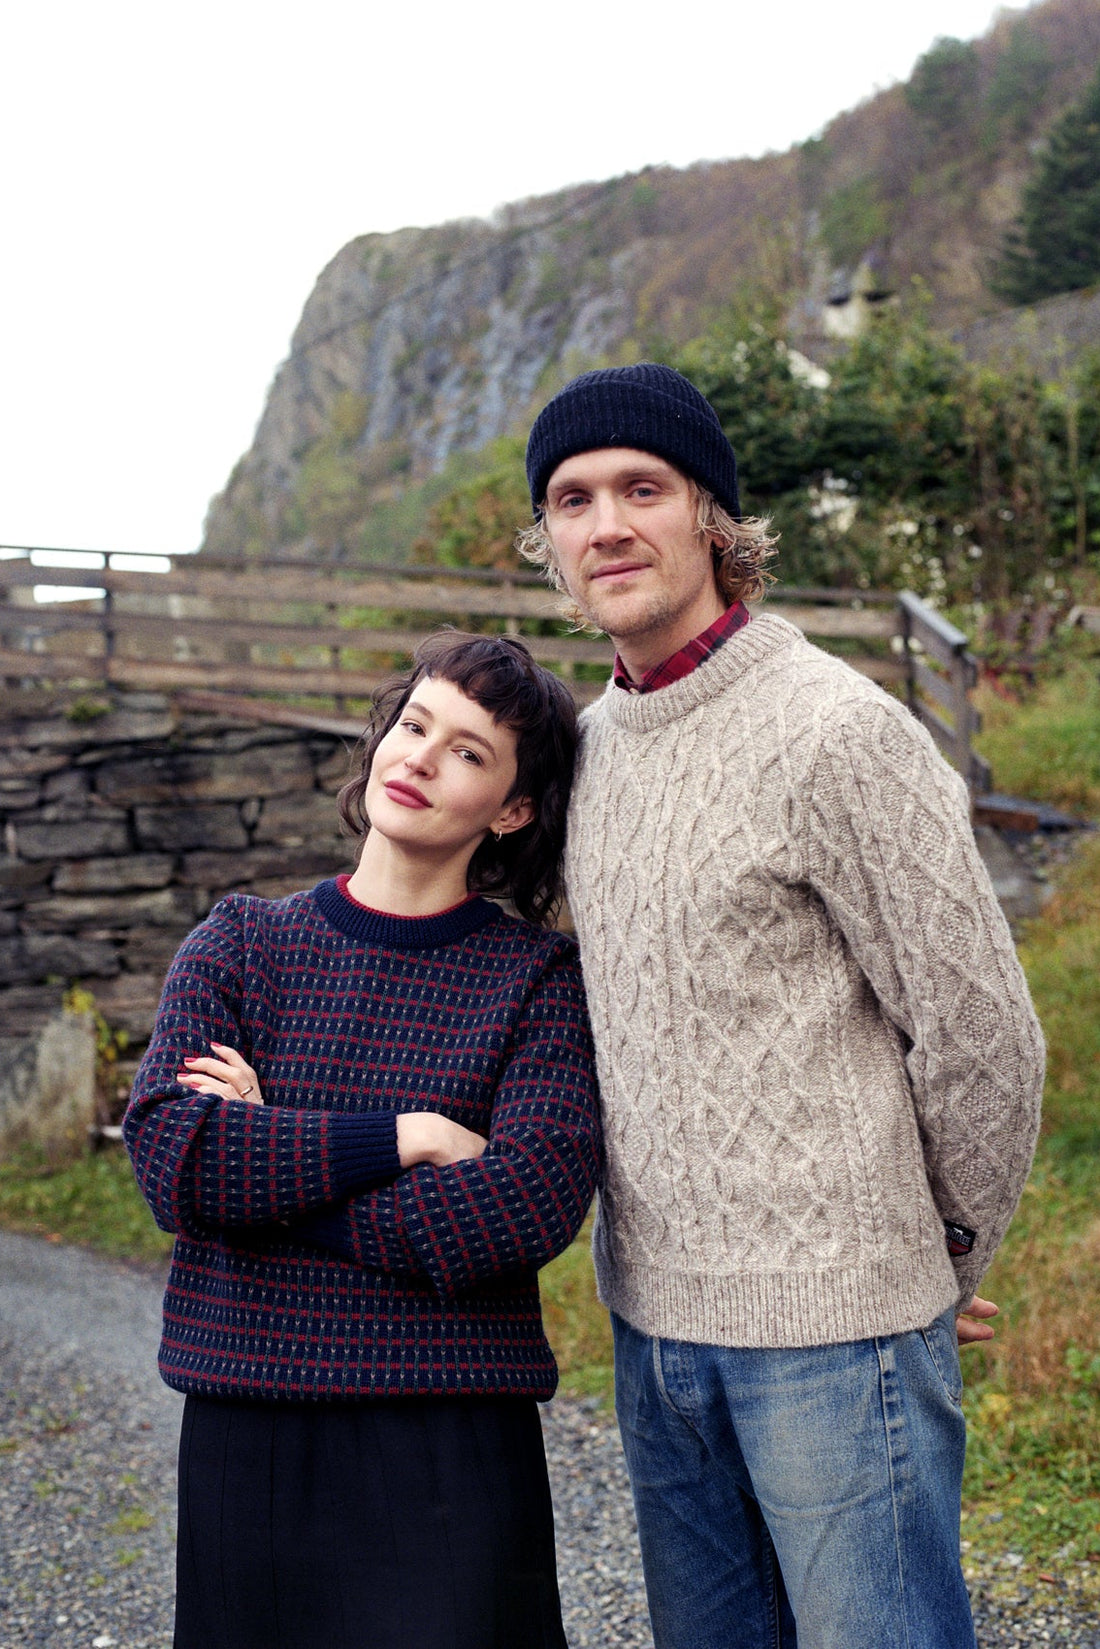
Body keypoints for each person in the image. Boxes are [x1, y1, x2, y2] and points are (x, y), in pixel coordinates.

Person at [517, 363, 1045, 1649]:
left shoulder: (835, 732)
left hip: (834, 1338)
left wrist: (935, 1262)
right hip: (651, 1330)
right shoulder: (589, 752)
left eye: (641, 487)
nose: (606, 525)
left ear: (710, 514)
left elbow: (982, 1037)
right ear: (549, 543)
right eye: (572, 499)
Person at [124, 631, 601, 1649]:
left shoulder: (537, 980)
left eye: (469, 751)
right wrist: (410, 1135)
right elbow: (175, 1158)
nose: (421, 757)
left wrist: (270, 1152)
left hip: (449, 1442)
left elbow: (520, 1208)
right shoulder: (240, 943)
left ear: (512, 809)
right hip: (249, 1424)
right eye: (414, 724)